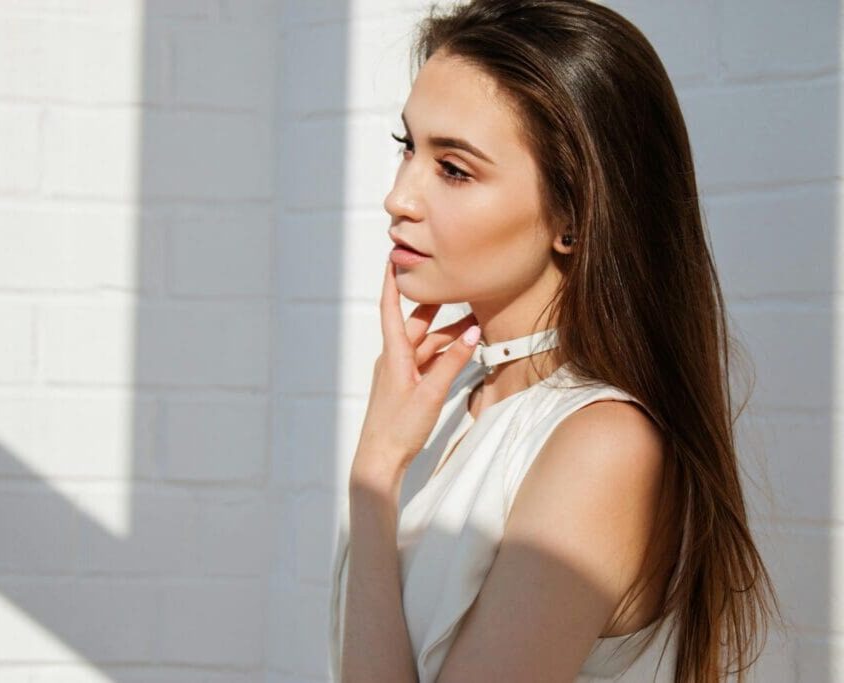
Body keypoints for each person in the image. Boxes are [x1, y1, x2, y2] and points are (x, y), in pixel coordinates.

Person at [327, 0, 786, 681]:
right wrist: (380, 463)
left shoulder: (602, 446)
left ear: (572, 215)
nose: (400, 197)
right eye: (409, 148)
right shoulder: (455, 404)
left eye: (454, 168)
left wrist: (373, 477)